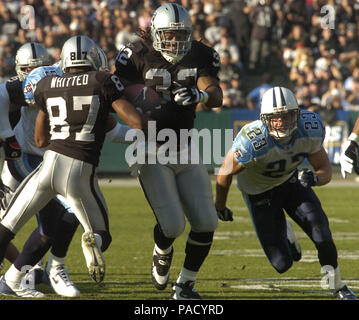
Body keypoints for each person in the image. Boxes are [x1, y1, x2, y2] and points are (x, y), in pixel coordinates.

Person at [0, 35, 143, 297]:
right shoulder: (102, 82)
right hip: (77, 170)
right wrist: (143, 130)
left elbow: (42, 140)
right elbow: (132, 122)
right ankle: (60, 264)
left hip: (47, 165)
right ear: (93, 57)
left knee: (8, 226)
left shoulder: (48, 84)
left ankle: (14, 278)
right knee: (100, 233)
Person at [115, 3, 221, 300]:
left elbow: (215, 94)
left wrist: (201, 94)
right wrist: (137, 124)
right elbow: (114, 94)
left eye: (181, 34)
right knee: (173, 225)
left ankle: (185, 285)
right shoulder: (135, 54)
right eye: (169, 34)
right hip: (149, 148)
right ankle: (162, 248)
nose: (175, 41)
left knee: (206, 222)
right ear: (155, 33)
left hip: (184, 146)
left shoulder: (200, 53)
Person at [215, 86, 356, 299]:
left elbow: (325, 170)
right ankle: (287, 232)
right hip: (258, 194)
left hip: (291, 182)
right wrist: (220, 206)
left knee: (322, 233)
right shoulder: (252, 140)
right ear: (264, 118)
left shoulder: (308, 127)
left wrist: (315, 179)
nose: (281, 122)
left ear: (296, 114)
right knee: (282, 264)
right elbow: (224, 173)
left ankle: (336, 285)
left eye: (286, 115)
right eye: (275, 117)